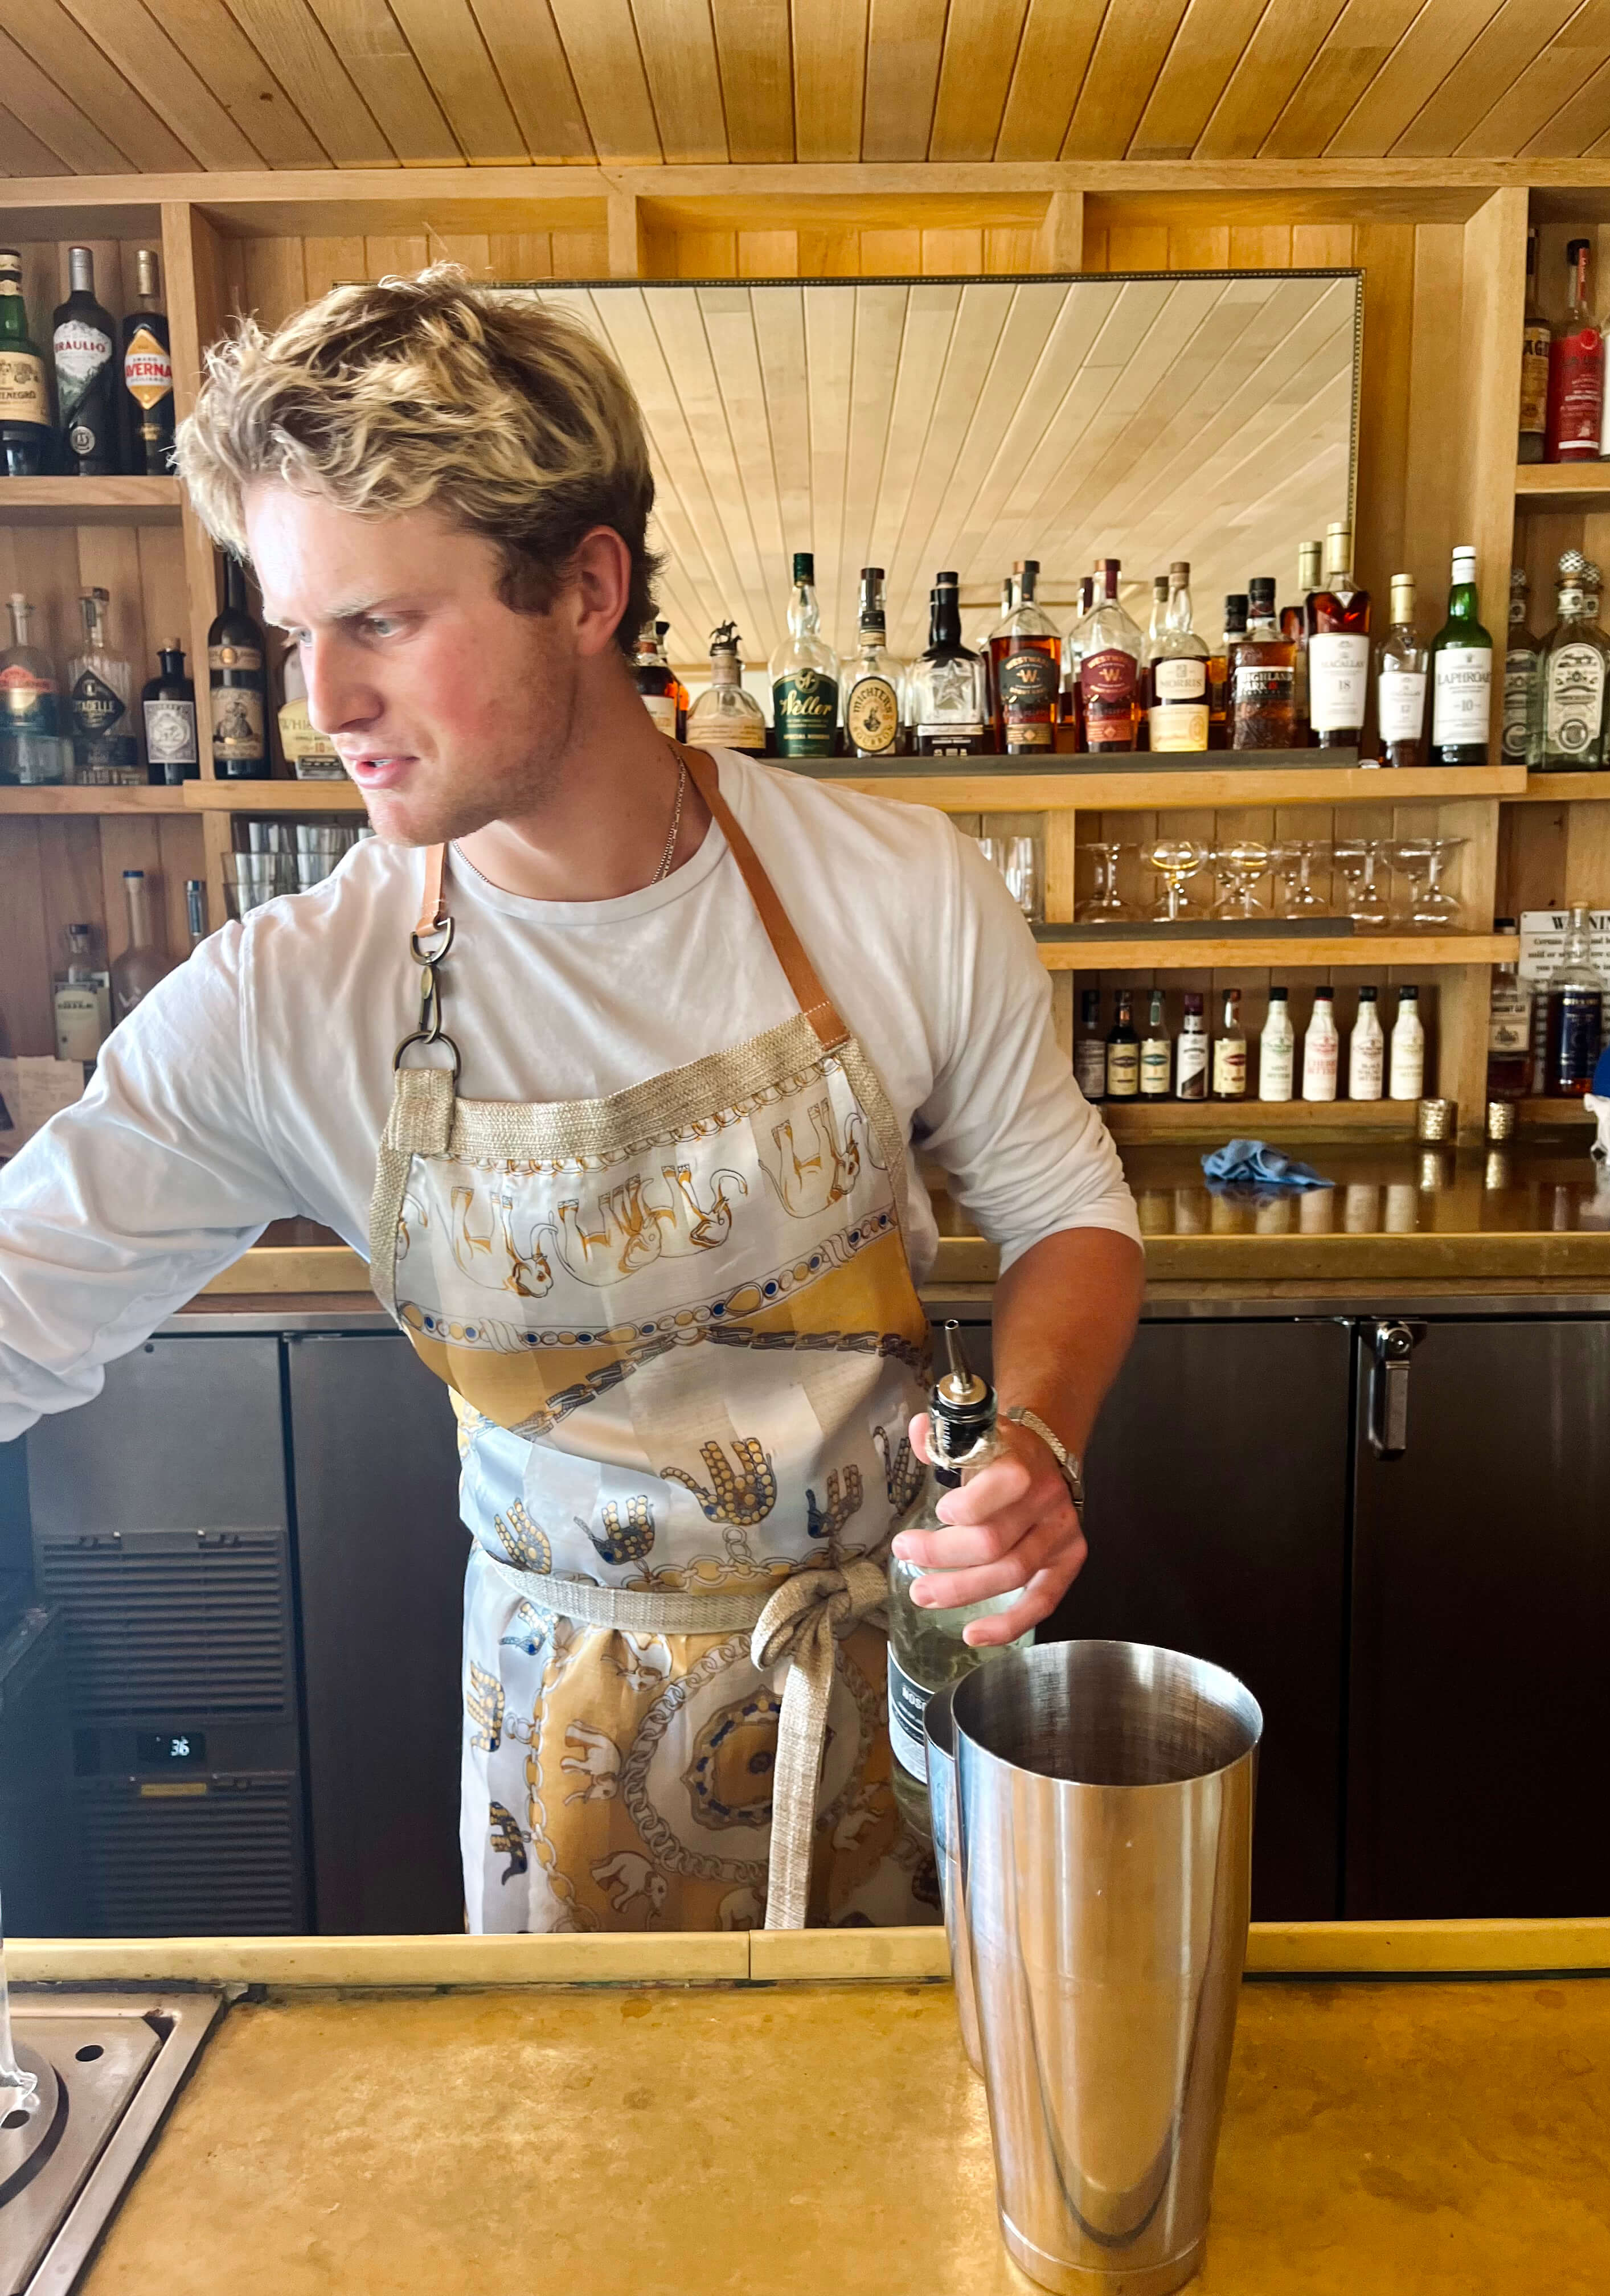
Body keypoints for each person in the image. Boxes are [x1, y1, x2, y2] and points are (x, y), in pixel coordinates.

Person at [0, 268, 1144, 1934]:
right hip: (559, 1760)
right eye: (294, 633)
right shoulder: (288, 998)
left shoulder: (895, 887)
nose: (323, 707)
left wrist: (1036, 1438)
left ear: (587, 585)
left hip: (885, 1697)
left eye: (382, 623)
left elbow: (1069, 1215)